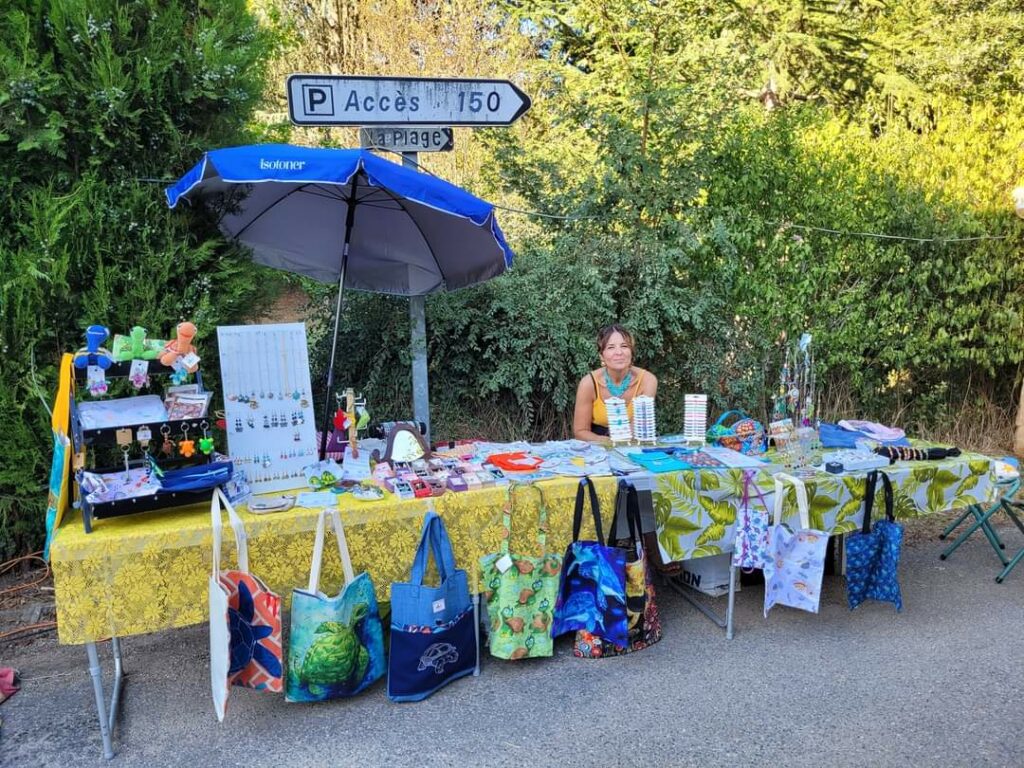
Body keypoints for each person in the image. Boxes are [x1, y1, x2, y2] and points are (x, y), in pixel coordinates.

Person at [573, 324, 658, 443]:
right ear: (601, 356)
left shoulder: (647, 380)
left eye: (624, 346)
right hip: (597, 446)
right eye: (611, 347)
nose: (619, 352)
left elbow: (639, 427)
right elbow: (580, 432)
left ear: (631, 352)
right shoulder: (588, 383)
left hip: (634, 442)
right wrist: (606, 442)